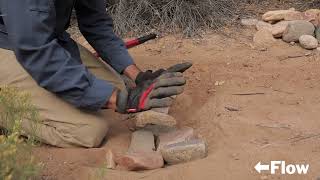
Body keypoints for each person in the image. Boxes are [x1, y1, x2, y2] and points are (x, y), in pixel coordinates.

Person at [0, 0, 191, 148]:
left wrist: (138, 77)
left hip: (46, 40)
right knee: (88, 131)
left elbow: (96, 24)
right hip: (14, 45)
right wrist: (119, 100)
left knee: (116, 89)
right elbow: (35, 49)